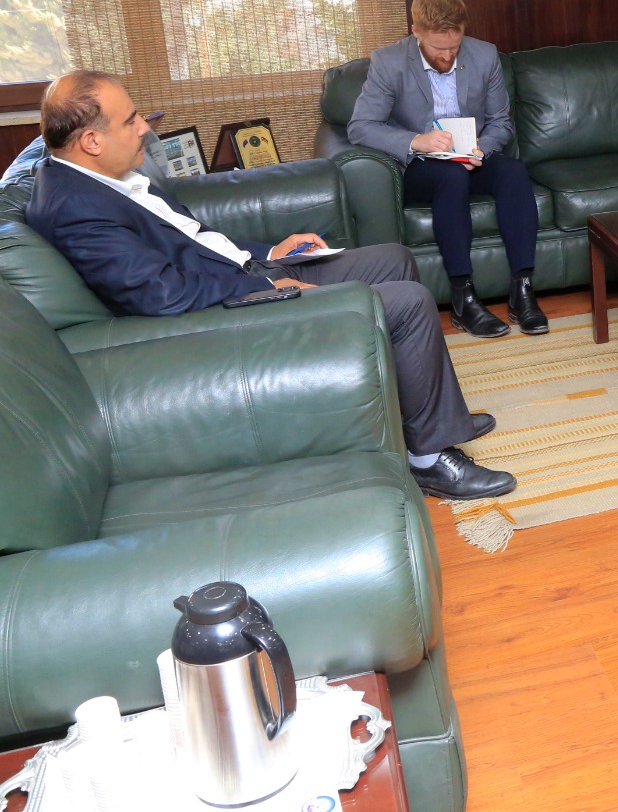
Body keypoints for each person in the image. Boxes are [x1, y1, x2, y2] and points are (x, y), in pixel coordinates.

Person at [25, 71, 515, 502]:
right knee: (407, 303)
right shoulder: (75, 209)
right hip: (230, 308)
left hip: (246, 273)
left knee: (394, 258)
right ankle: (429, 460)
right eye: (131, 120)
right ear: (92, 140)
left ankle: (426, 419)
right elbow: (161, 295)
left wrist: (270, 252)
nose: (145, 128)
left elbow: (197, 241)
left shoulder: (106, 177)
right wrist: (271, 287)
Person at [349, 0, 546, 338]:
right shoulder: (389, 62)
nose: (448, 55)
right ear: (416, 32)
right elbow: (360, 127)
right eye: (439, 48)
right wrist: (416, 140)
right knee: (451, 177)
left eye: (454, 46)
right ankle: (463, 297)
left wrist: (482, 149)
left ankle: (523, 290)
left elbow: (500, 122)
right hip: (420, 165)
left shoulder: (484, 55)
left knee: (514, 172)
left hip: (472, 157)